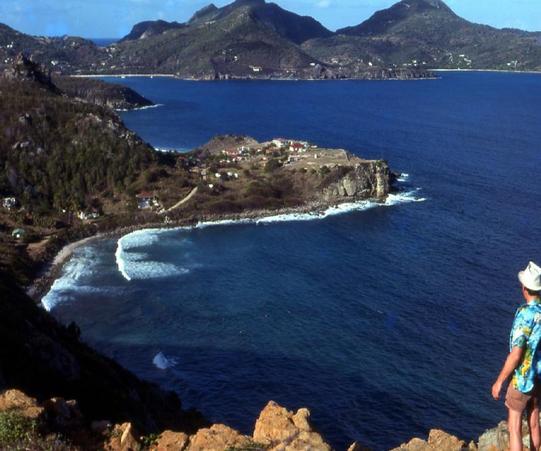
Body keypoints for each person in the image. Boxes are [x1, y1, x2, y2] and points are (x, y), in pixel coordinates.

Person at [492, 261, 541, 451]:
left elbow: (516, 354)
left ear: (525, 289)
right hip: (538, 377)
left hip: (522, 379)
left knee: (514, 427)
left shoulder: (525, 315)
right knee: (534, 421)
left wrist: (499, 382)